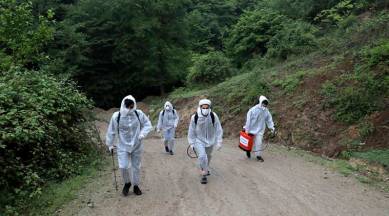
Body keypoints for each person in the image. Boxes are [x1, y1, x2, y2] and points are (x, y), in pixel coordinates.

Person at [106, 95, 152, 196]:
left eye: (132, 107)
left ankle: (136, 186)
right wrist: (110, 144)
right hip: (122, 146)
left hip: (137, 145)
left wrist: (142, 133)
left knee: (136, 167)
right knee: (123, 166)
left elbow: (148, 124)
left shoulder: (138, 114)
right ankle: (127, 183)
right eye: (128, 107)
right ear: (123, 106)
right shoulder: (116, 117)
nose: (129, 109)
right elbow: (111, 131)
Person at [188, 99, 223, 184]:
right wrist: (192, 143)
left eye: (207, 107)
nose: (205, 109)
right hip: (198, 140)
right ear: (200, 107)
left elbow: (218, 128)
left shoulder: (213, 116)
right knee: (202, 156)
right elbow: (191, 131)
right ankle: (204, 174)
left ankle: (205, 167)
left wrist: (219, 141)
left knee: (208, 156)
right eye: (203, 107)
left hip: (211, 140)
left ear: (209, 107)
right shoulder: (195, 117)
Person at [244, 95, 275, 162]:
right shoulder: (252, 110)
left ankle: (258, 156)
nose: (265, 105)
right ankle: (248, 150)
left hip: (260, 130)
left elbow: (269, 120)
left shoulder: (266, 111)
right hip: (251, 129)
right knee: (249, 142)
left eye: (266, 104)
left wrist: (272, 128)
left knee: (259, 142)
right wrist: (246, 129)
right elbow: (248, 120)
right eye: (263, 103)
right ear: (260, 102)